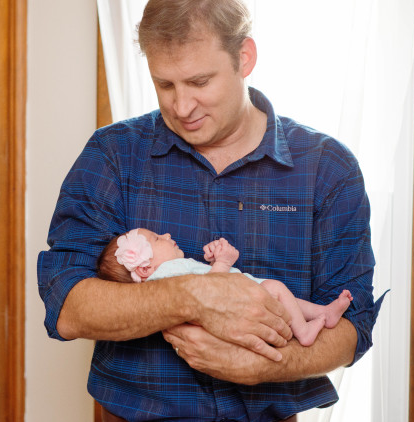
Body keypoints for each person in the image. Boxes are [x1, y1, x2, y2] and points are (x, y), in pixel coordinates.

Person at [38, 0, 385, 420]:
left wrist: (266, 365)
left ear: (245, 57)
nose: (182, 107)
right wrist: (194, 296)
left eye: (199, 82)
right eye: (164, 85)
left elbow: (355, 324)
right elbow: (67, 305)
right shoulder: (113, 154)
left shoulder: (327, 167)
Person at [98, 228, 354, 347]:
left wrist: (211, 261)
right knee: (275, 288)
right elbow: (210, 292)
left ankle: (323, 313)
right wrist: (223, 261)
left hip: (238, 299)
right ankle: (305, 332)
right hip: (239, 300)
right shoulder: (166, 273)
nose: (165, 235)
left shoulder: (169, 274)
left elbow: (202, 283)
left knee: (284, 300)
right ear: (144, 268)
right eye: (156, 239)